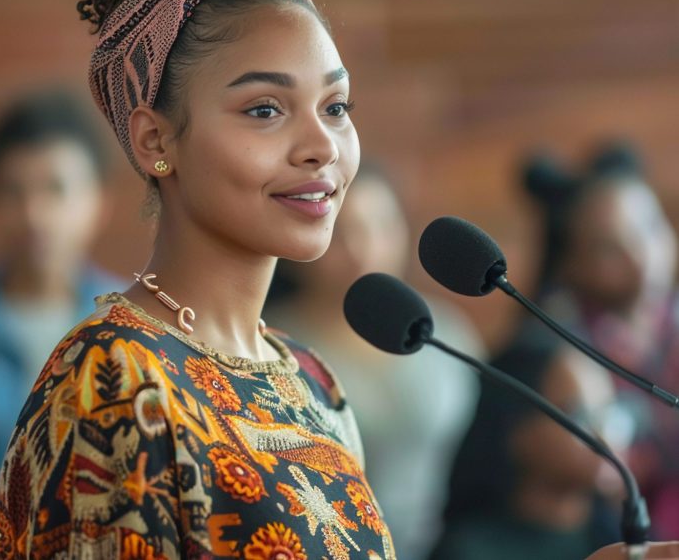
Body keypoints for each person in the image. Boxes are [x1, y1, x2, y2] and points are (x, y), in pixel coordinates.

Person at [0, 0, 395, 559]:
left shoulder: (310, 379)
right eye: (265, 109)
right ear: (156, 140)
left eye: (335, 108)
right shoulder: (115, 384)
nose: (320, 146)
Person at [263, 162, 481, 560]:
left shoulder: (446, 330)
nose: (363, 249)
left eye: (380, 227)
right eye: (342, 233)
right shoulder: (273, 346)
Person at [0, 90, 124, 549]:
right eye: (14, 191)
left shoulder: (130, 324)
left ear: (99, 200)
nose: (34, 214)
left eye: (55, 190)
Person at [520, 142, 679, 540]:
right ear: (571, 263)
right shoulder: (556, 349)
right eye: (610, 246)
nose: (641, 255)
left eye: (649, 229)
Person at [427, 326, 622, 560]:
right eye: (578, 417)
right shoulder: (468, 550)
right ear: (514, 428)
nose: (602, 437)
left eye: (605, 414)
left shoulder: (623, 538)